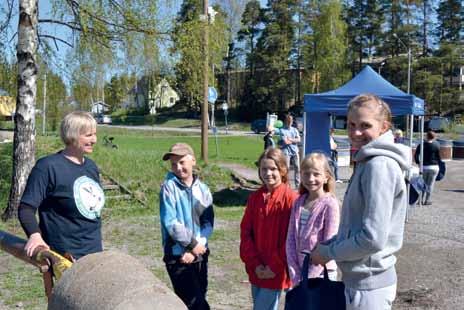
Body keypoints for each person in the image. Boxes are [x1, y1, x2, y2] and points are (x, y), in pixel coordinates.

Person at [311, 94, 411, 310]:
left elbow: (372, 239)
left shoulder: (379, 166)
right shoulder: (368, 161)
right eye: (351, 124)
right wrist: (331, 244)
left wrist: (328, 253)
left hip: (369, 286)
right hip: (359, 281)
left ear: (384, 127)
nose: (356, 132)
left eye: (365, 125)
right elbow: (356, 226)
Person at [18, 111, 105, 260]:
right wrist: (35, 235)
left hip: (95, 254)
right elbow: (26, 208)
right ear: (72, 135)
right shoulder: (48, 167)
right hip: (65, 256)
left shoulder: (91, 167)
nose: (94, 140)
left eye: (94, 134)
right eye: (88, 135)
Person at [240, 148, 298, 310]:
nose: (268, 173)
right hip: (256, 269)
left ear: (283, 170)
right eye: (264, 169)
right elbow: (246, 232)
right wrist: (255, 263)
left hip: (276, 270)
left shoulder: (291, 199)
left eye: (273, 169)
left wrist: (274, 266)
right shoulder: (255, 198)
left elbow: (292, 238)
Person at [159, 142, 214, 310]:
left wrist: (198, 245)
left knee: (199, 296)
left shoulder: (203, 190)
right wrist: (191, 246)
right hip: (177, 256)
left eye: (182, 162)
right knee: (195, 303)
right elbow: (171, 222)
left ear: (193, 161)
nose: (178, 167)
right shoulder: (168, 188)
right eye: (174, 164)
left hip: (199, 253)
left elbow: (208, 223)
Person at [286, 152, 340, 286]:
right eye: (306, 173)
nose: (311, 179)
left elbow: (328, 243)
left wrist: (308, 277)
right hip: (299, 273)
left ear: (326, 177)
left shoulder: (330, 204)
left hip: (322, 272)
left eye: (316, 174)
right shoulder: (299, 202)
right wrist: (296, 274)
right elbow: (291, 239)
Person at [414, 130, 441, 205]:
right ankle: (427, 200)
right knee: (430, 184)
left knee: (422, 183)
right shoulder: (437, 145)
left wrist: (418, 163)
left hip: (424, 167)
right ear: (434, 137)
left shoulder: (422, 145)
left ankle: (420, 200)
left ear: (426, 136)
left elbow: (416, 155)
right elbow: (439, 157)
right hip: (434, 167)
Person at [279, 114, 301, 188]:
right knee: (287, 168)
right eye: (288, 121)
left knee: (297, 167)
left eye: (291, 121)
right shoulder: (282, 130)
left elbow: (299, 140)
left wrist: (290, 139)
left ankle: (297, 185)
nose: (290, 122)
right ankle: (286, 185)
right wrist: (293, 140)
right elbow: (285, 142)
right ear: (286, 121)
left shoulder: (294, 130)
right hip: (286, 151)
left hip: (295, 151)